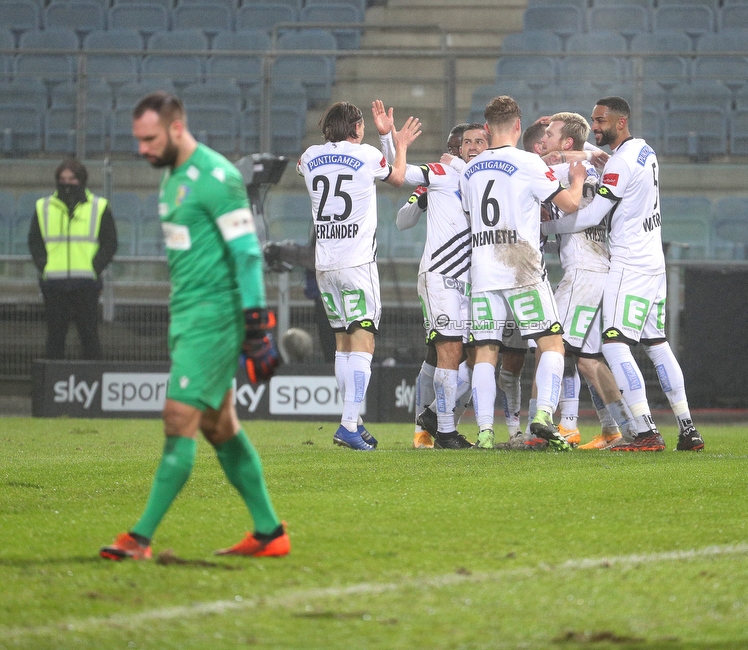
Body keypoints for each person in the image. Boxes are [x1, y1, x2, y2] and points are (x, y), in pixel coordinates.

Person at [100, 92, 287, 560]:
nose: (142, 148)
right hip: (187, 314)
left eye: (149, 138)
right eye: (138, 139)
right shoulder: (173, 177)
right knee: (218, 425)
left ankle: (140, 538)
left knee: (178, 417)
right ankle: (269, 532)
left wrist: (256, 325)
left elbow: (246, 252)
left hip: (214, 318)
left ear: (176, 127)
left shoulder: (216, 177)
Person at [541, 96, 703, 452]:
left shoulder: (620, 164)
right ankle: (688, 429)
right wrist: (572, 143)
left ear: (620, 122)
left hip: (628, 263)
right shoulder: (645, 152)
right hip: (652, 261)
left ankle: (645, 432)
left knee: (613, 343)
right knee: (657, 345)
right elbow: (597, 158)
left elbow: (590, 216)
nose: (595, 127)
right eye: (593, 122)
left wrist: (545, 224)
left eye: (600, 121)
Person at [459, 95, 586, 451]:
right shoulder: (529, 162)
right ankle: (543, 415)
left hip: (483, 270)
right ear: (518, 126)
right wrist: (576, 178)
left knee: (485, 351)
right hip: (522, 268)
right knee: (551, 342)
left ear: (486, 129)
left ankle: (485, 432)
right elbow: (570, 205)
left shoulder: (470, 170)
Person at [298, 100, 421, 450]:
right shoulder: (367, 154)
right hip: (357, 263)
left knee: (342, 341)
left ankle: (354, 419)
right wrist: (396, 143)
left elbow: (306, 168)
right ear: (356, 129)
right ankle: (349, 424)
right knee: (363, 337)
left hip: (324, 264)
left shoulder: (309, 157)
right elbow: (397, 177)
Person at [385, 120, 491, 448]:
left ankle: (434, 416)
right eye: (465, 143)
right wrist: (390, 139)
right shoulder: (442, 175)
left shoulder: (491, 179)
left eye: (479, 142)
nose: (471, 147)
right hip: (441, 277)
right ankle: (437, 429)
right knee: (445, 351)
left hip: (475, 282)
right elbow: (396, 181)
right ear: (457, 149)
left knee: (476, 355)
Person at [539, 112, 639, 450]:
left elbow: (528, 163)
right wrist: (577, 149)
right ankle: (624, 429)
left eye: (549, 134)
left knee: (549, 344)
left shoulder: (564, 170)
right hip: (601, 268)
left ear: (566, 142)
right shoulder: (598, 167)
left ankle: (541, 428)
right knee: (589, 358)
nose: (543, 140)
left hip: (582, 272)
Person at [28, 159, 118, 360]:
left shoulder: (99, 206)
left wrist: (94, 267)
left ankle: (93, 384)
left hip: (86, 283)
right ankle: (52, 387)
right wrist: (45, 267)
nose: (66, 183)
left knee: (89, 337)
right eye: (62, 179)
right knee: (55, 338)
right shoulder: (43, 206)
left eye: (71, 178)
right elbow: (34, 242)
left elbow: (110, 243)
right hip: (54, 283)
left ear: (82, 180)